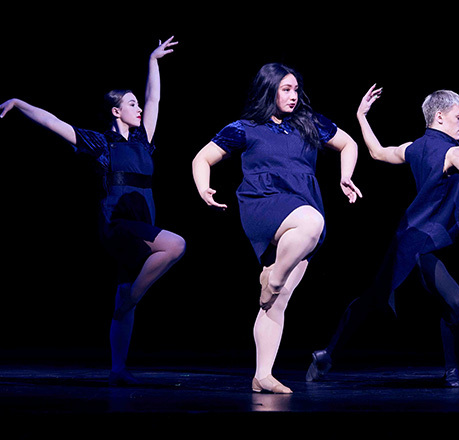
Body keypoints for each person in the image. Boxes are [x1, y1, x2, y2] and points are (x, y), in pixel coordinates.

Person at [0, 37, 186, 386]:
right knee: (175, 246)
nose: (139, 109)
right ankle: (131, 300)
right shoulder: (100, 142)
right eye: (131, 105)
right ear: (116, 111)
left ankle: (117, 368)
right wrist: (20, 103)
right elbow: (54, 123)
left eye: (137, 104)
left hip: (142, 223)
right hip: (117, 223)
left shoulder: (143, 139)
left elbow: (154, 98)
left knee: (124, 287)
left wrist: (153, 60)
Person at [192, 63, 362, 394]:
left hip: (302, 203)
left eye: (296, 89)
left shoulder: (310, 123)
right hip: (264, 203)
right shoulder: (245, 127)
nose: (293, 95)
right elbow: (202, 158)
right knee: (312, 223)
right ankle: (273, 277)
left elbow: (349, 144)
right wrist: (203, 188)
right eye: (286, 89)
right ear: (269, 90)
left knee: (278, 300)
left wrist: (345, 175)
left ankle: (262, 375)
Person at [306, 86, 459, 387]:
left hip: (407, 238)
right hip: (423, 242)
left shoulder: (414, 147)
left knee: (373, 298)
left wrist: (361, 117)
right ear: (440, 117)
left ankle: (327, 352)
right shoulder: (454, 151)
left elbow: (377, 153)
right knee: (455, 302)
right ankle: (452, 371)